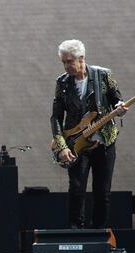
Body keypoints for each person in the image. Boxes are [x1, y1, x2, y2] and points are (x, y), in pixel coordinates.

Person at [51, 39, 127, 229]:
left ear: (81, 58)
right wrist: (61, 146)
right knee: (76, 188)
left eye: (70, 61)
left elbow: (117, 99)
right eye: (64, 62)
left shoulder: (103, 75)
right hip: (77, 142)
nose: (67, 66)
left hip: (104, 141)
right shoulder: (62, 83)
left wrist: (120, 107)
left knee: (103, 191)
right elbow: (56, 117)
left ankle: (100, 232)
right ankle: (76, 231)